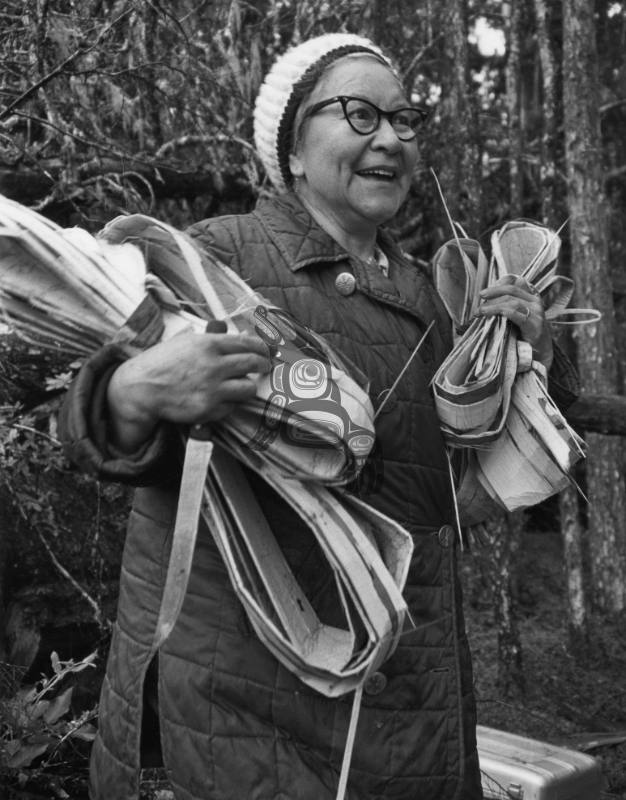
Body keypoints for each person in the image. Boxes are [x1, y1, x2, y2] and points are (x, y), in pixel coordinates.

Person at [60, 32, 576, 800]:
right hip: (239, 701)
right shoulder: (212, 258)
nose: (392, 139)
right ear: (292, 151)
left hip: (410, 688)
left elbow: (492, 461)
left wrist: (528, 352)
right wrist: (134, 392)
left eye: (405, 121)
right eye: (361, 114)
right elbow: (77, 427)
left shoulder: (437, 297)